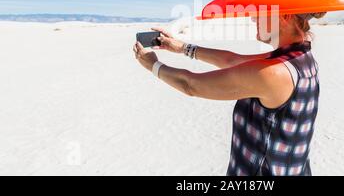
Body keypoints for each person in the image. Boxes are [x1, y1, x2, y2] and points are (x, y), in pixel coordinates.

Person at [133, 12, 326, 176]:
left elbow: (190, 85)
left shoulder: (274, 72)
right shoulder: (299, 56)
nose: (252, 18)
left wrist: (153, 65)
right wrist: (181, 47)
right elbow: (232, 60)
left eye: (260, 12)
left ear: (284, 16)